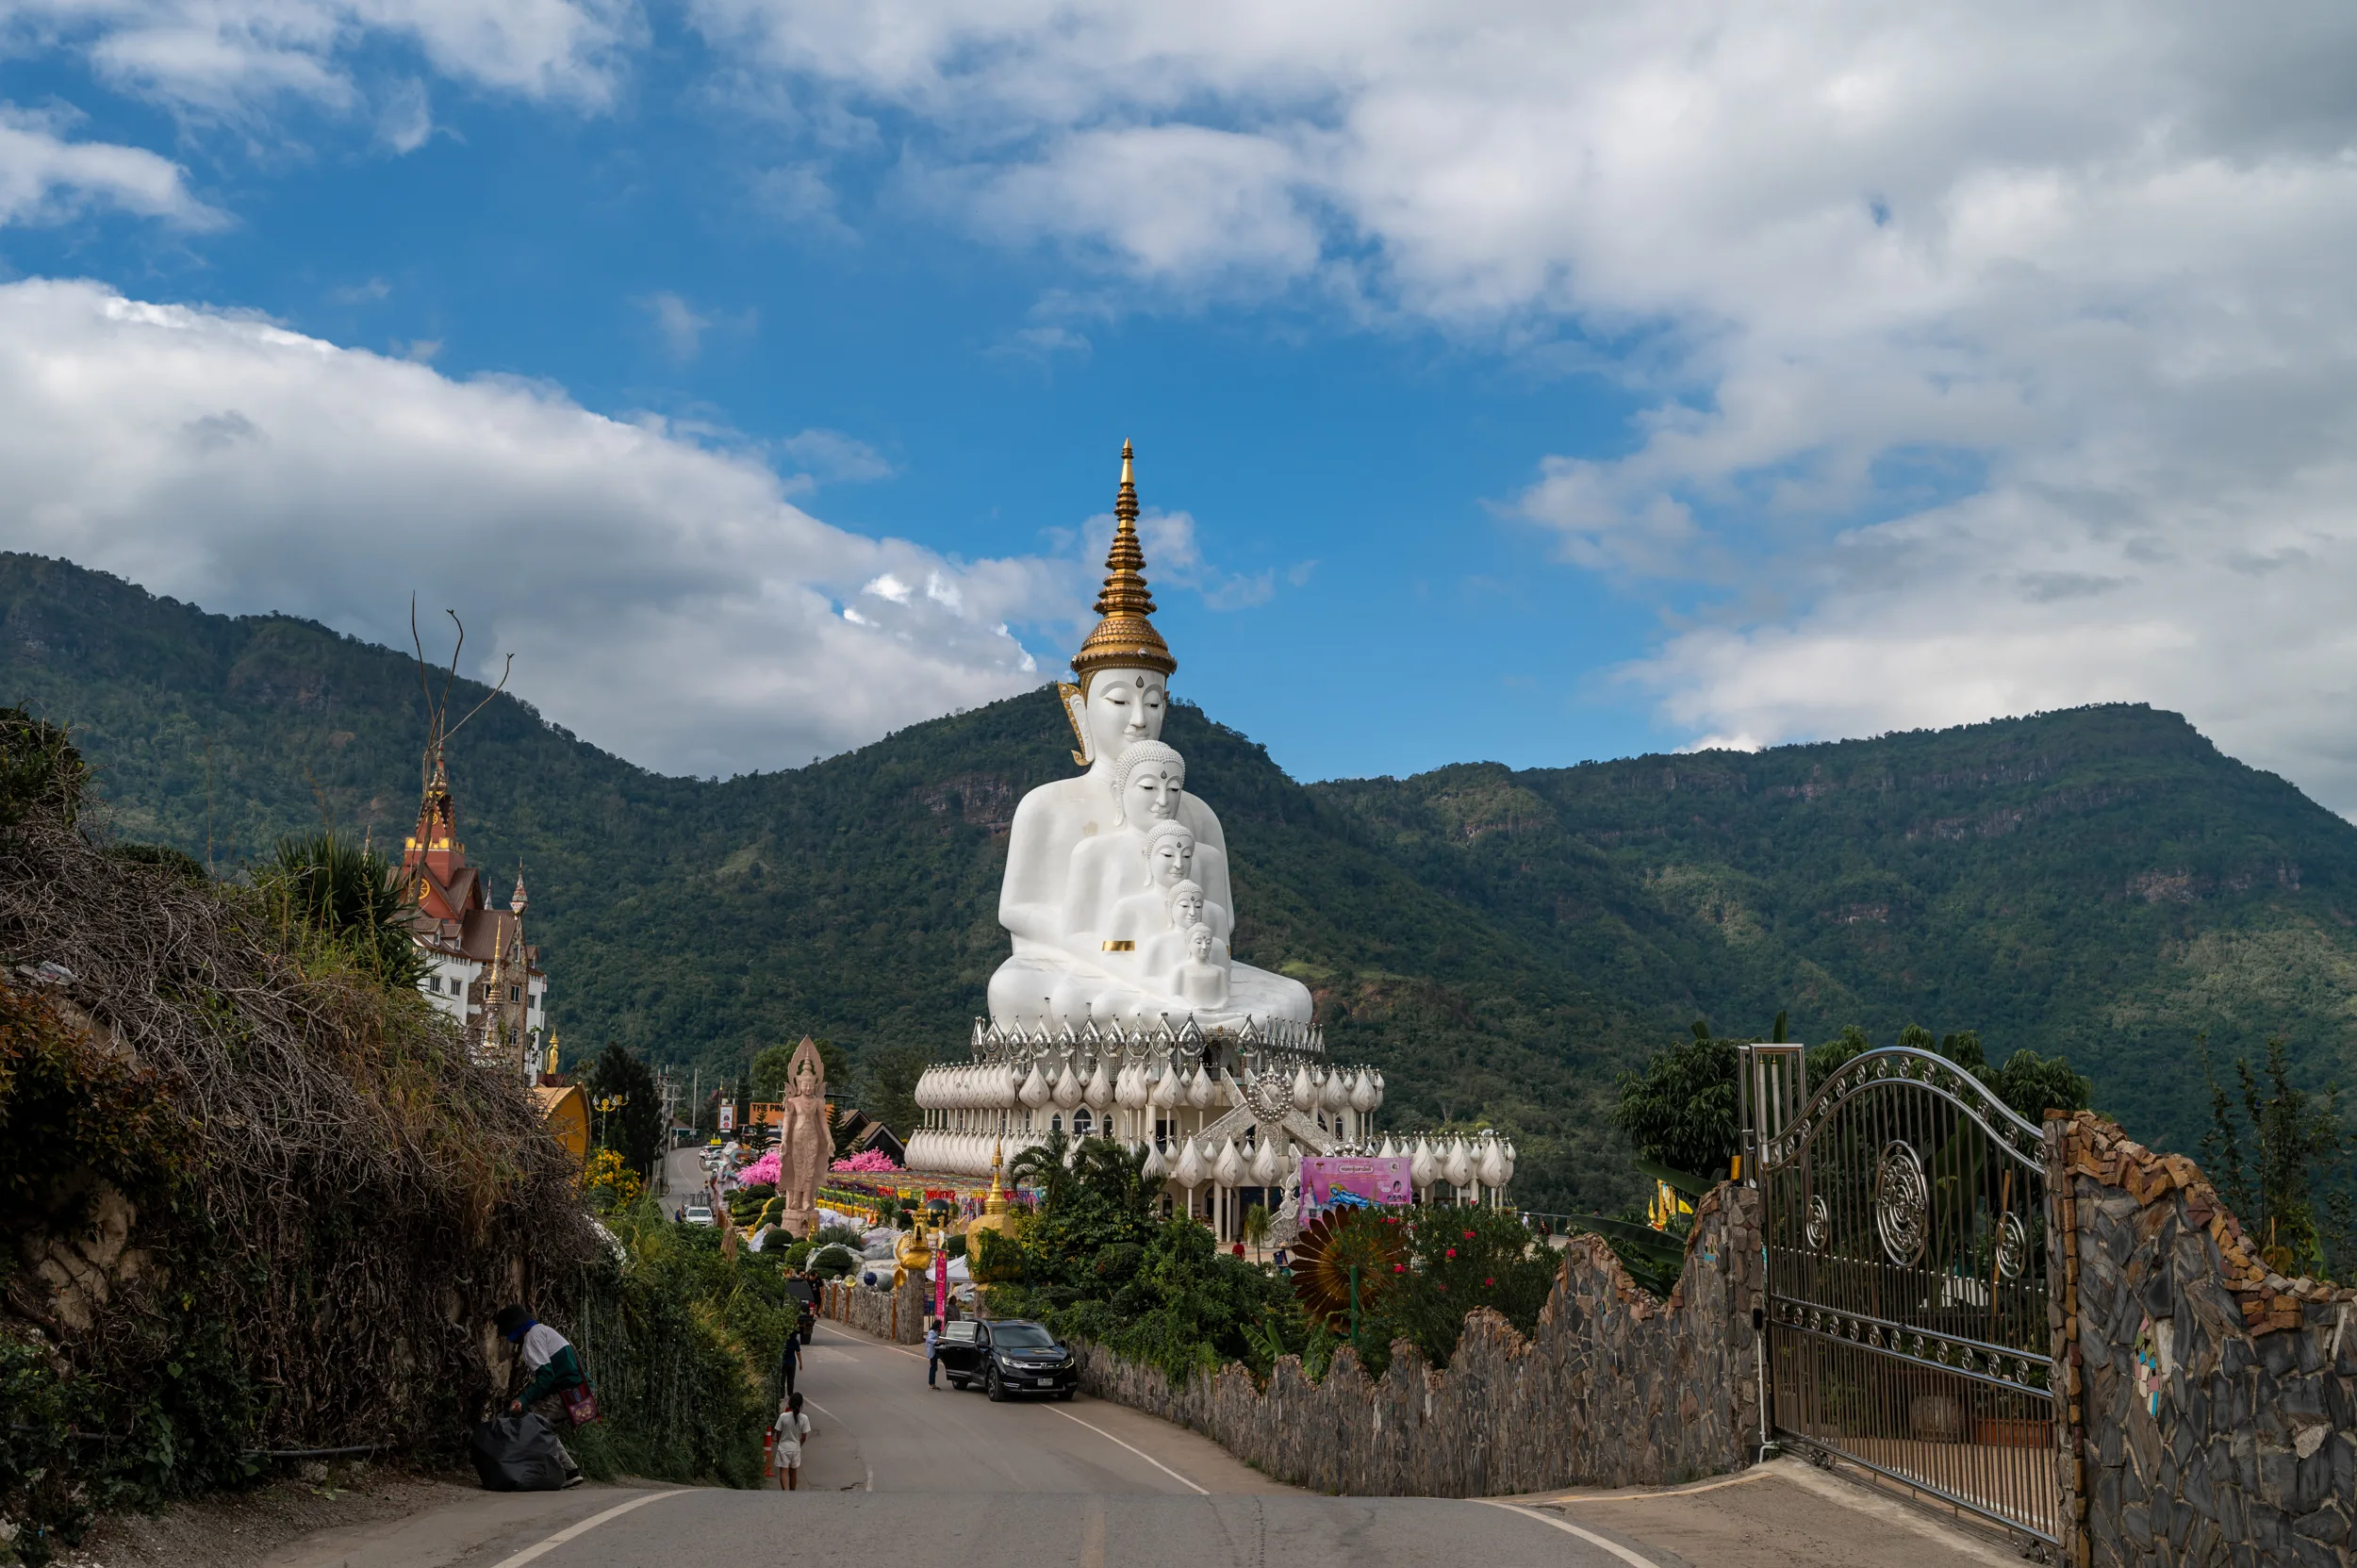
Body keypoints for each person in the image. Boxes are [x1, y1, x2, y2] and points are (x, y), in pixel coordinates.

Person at [492, 1305, 585, 1489]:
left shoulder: (532, 1339)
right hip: (579, 1392)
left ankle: (568, 1470)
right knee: (540, 1423)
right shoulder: (543, 1331)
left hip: (569, 1394)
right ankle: (566, 1470)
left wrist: (523, 1400)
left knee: (530, 1420)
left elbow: (546, 1377)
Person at [772, 1392, 812, 1491]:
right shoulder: (804, 1418)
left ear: (789, 1403)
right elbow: (803, 1437)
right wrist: (798, 1445)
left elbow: (778, 1432)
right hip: (795, 1448)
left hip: (783, 1447)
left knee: (783, 1471)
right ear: (801, 1404)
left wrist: (780, 1443)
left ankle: (785, 1492)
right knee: (793, 1472)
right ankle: (793, 1492)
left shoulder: (783, 1416)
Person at [924, 1315, 940, 1388]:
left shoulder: (934, 1332)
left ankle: (932, 1384)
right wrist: (937, 1341)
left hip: (933, 1352)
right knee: (933, 1368)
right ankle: (931, 1384)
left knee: (934, 1368)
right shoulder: (931, 1332)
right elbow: (929, 1340)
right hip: (932, 1352)